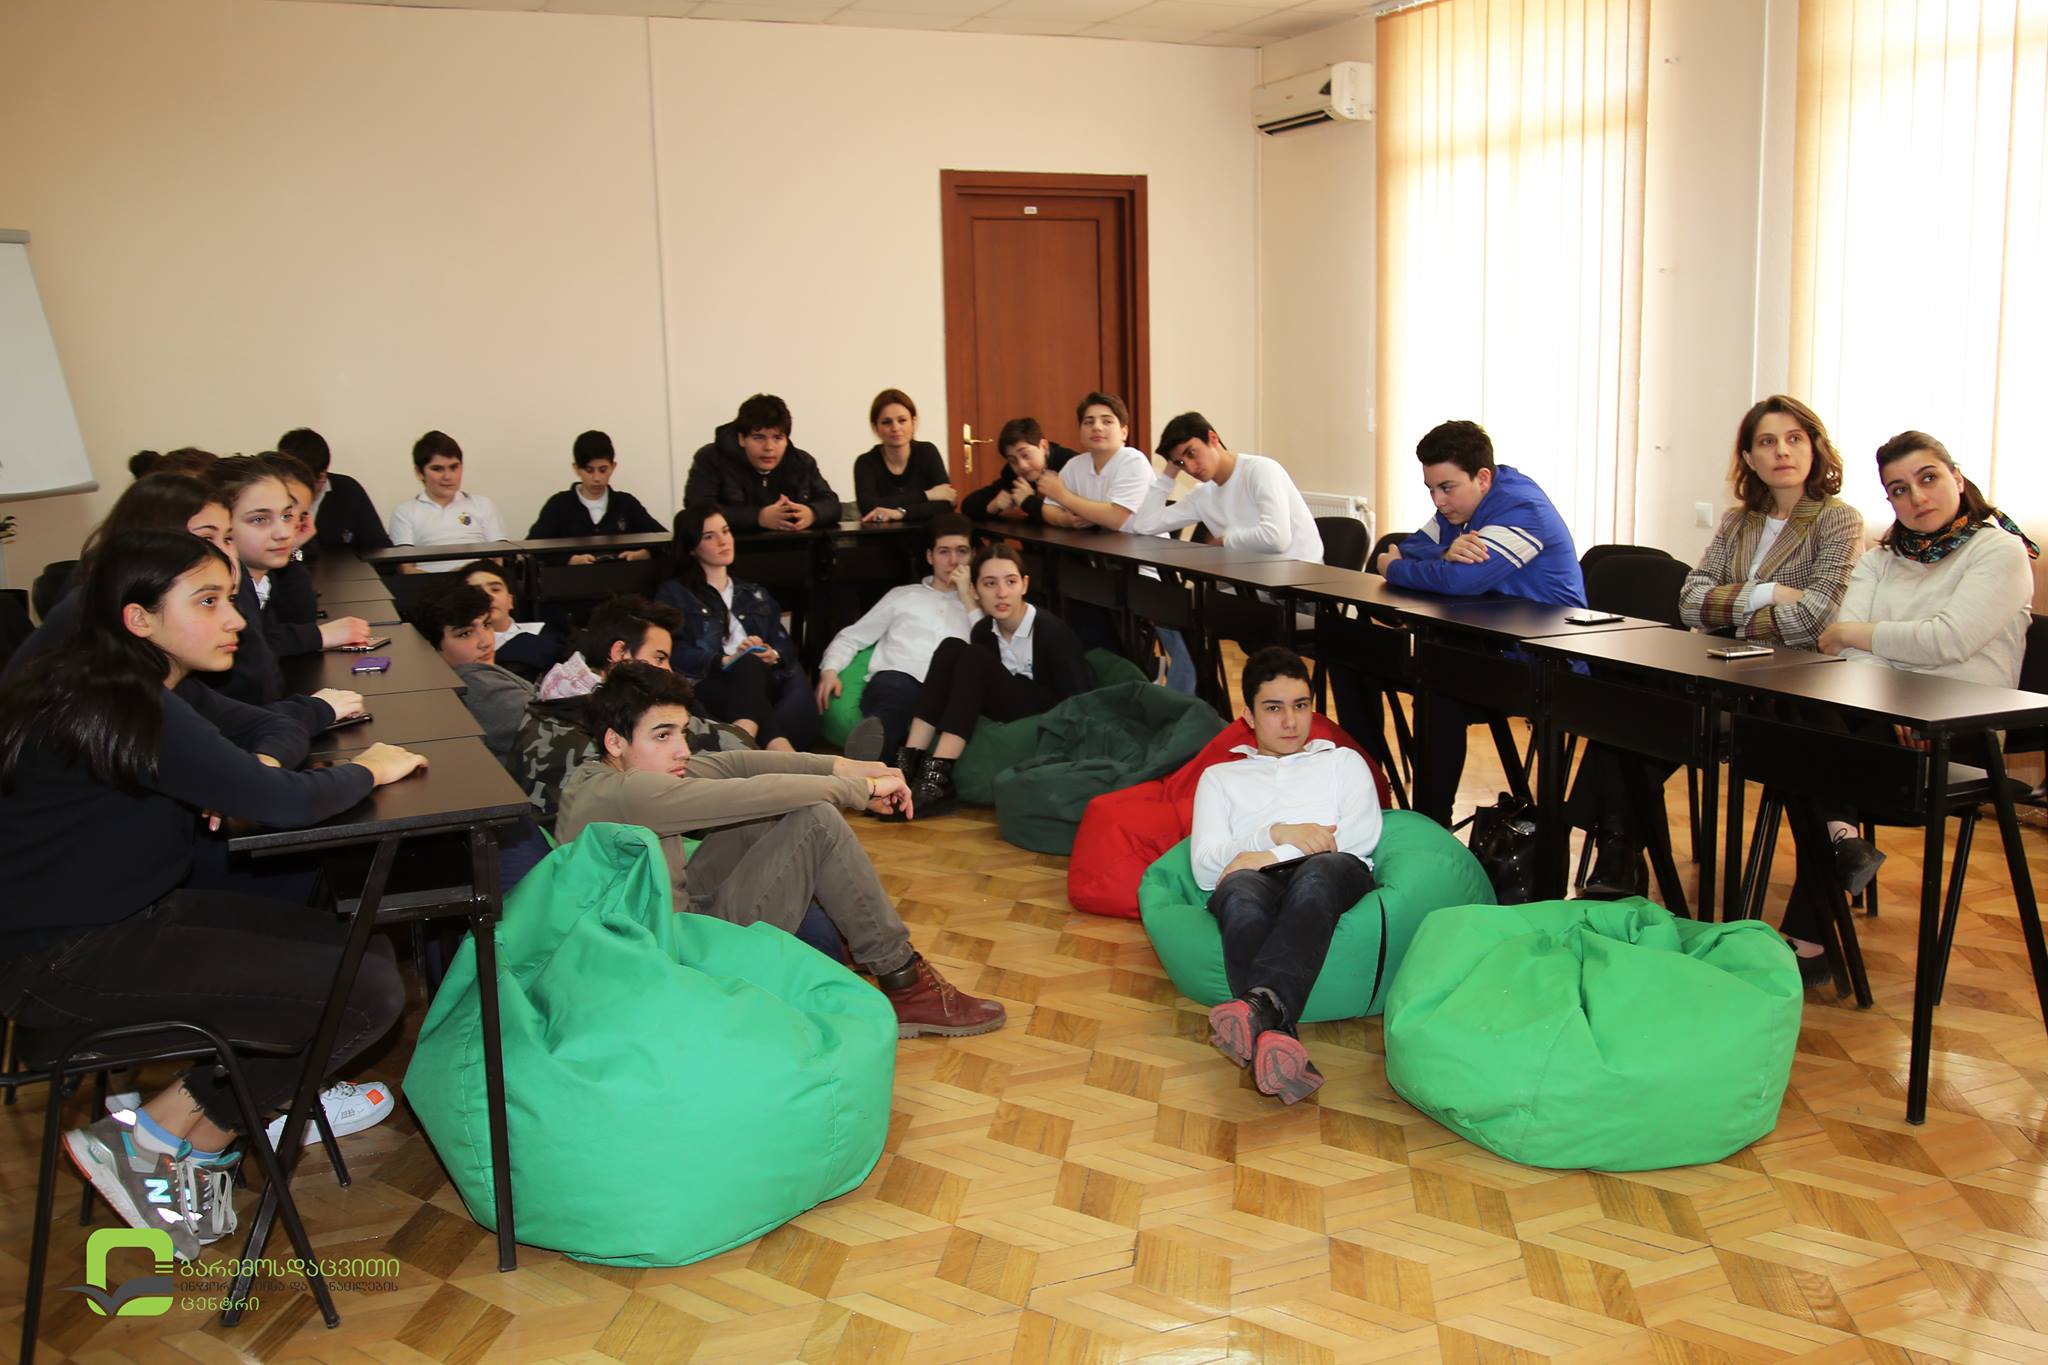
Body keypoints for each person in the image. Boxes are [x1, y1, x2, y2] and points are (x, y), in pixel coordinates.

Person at [0, 529, 424, 1259]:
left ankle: (171, 1141)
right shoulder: (126, 699)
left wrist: (249, 774)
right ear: (139, 618)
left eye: (229, 598)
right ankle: (164, 1133)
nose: (234, 619)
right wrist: (370, 769)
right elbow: (281, 801)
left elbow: (260, 749)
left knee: (362, 954)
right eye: (207, 602)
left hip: (119, 922)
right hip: (65, 960)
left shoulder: (132, 678)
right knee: (366, 993)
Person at [556, 662, 1006, 1036]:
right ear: (615, 741)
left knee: (785, 810)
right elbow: (745, 793)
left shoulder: (611, 773)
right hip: (665, 958)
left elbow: (739, 764)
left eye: (682, 733)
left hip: (669, 917)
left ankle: (864, 942)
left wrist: (843, 765)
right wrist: (859, 789)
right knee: (814, 819)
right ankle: (903, 981)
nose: (682, 750)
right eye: (662, 735)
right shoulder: (624, 793)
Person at [1575, 396, 1864, 898]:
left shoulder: (1837, 520)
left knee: (1639, 725)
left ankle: (1618, 851)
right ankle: (1619, 849)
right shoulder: (1738, 521)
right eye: (1767, 442)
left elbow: (1813, 618)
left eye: (1794, 439)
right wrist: (1767, 594)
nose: (1782, 451)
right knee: (1624, 709)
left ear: (1815, 447)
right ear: (1750, 457)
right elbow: (1689, 603)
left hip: (1787, 682)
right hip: (1718, 669)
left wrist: (1730, 610)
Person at [1783, 430, 2040, 979]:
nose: (1917, 497)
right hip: (1882, 718)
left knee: (1810, 757)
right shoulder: (1882, 558)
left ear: (1957, 478)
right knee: (1789, 709)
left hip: (1961, 728)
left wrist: (1863, 639)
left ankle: (1815, 920)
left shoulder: (1998, 550)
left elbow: (1948, 640)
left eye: (1928, 479)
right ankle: (1841, 844)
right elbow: (1839, 645)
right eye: (1899, 489)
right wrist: (1890, 694)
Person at [1351, 420, 1585, 828]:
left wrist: (1395, 568)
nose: (1438, 501)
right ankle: (1366, 796)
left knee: (1439, 681)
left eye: (1446, 488)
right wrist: (1443, 552)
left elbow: (1460, 580)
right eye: (1430, 489)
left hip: (1542, 660)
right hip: (1483, 641)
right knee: (1355, 654)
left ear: (1483, 478)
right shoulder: (1461, 505)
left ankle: (1431, 825)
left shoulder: (1522, 510)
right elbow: (1411, 547)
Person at [1193, 647, 1383, 1104]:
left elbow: (1360, 835)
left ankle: (1257, 1006)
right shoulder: (1220, 778)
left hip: (1333, 870)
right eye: (1274, 708)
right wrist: (1276, 831)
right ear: (1248, 716)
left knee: (1316, 874)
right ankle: (1277, 1038)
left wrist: (1269, 852)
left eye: (1300, 705)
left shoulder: (1342, 762)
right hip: (1256, 878)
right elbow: (1204, 867)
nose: (1291, 721)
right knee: (1239, 896)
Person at [887, 542, 1092, 819]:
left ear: (1024, 585)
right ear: (974, 590)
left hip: (1044, 708)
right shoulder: (984, 630)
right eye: (990, 583)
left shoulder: (1053, 632)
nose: (1001, 593)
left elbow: (1079, 699)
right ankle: (906, 766)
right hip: (1007, 702)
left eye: (1011, 582)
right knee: (950, 647)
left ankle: (938, 777)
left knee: (973, 657)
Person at [517, 595, 754, 824]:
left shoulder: (553, 700)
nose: (668, 670)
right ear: (620, 653)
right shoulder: (597, 727)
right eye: (659, 658)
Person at [1028, 392, 1197, 692]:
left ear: (1124, 431)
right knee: (1067, 597)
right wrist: (1068, 519)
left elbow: (1117, 517)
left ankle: (1176, 687)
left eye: (1107, 421)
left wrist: (1066, 497)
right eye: (1088, 421)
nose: (1097, 427)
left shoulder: (1132, 460)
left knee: (1165, 626)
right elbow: (1049, 510)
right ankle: (1121, 677)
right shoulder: (1076, 465)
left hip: (1146, 566)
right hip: (1103, 569)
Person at [816, 514, 980, 763]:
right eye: (944, 552)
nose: (953, 561)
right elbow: (852, 637)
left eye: (962, 551)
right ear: (930, 557)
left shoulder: (980, 606)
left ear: (973, 556)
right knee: (894, 697)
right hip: (896, 681)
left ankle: (877, 763)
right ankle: (877, 753)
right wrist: (830, 670)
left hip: (947, 691)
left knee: (934, 705)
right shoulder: (902, 596)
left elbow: (990, 648)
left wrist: (968, 598)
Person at [658, 503, 817, 752]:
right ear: (691, 547)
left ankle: (739, 745)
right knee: (747, 671)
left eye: (725, 531)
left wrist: (771, 653)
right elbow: (673, 650)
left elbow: (783, 643)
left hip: (762, 677)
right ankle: (782, 752)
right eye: (709, 536)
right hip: (709, 681)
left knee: (750, 664)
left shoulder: (754, 593)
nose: (723, 541)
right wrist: (724, 660)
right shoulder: (675, 593)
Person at [211, 455, 372, 659]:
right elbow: (252, 652)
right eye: (260, 519)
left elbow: (301, 618)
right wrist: (318, 636)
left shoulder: (260, 577)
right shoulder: (225, 585)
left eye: (287, 516)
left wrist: (292, 551)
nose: (284, 533)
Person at [1133, 413, 1325, 562]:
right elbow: (1143, 525)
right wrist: (1169, 474)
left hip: (1300, 587)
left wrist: (1224, 542)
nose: (1190, 468)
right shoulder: (1202, 495)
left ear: (1213, 438)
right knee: (1184, 598)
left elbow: (1277, 539)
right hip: (1251, 584)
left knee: (1200, 599)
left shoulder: (1260, 470)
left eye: (1191, 453)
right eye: (1181, 463)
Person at [409, 580, 535, 773]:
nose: (485, 642)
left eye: (486, 624)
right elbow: (560, 729)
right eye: (465, 634)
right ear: (432, 647)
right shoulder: (474, 682)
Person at [682, 394, 841, 532]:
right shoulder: (711, 459)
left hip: (795, 550)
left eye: (778, 438)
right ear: (741, 438)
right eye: (758, 438)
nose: (769, 447)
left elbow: (833, 505)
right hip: (734, 551)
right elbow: (697, 511)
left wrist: (812, 514)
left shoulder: (801, 462)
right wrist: (758, 517)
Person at [526, 429, 665, 557]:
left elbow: (665, 541)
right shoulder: (559, 505)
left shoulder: (626, 504)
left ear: (613, 466)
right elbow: (531, 549)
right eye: (589, 470)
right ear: (576, 468)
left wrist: (645, 553)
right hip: (572, 576)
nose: (597, 478)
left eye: (603, 470)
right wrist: (568, 560)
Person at [388, 430, 507, 570]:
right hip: (429, 582)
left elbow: (499, 560)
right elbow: (405, 568)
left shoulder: (482, 504)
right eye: (437, 469)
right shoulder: (404, 511)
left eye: (453, 467)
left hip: (478, 579)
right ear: (419, 472)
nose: (447, 477)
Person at [277, 427, 391, 553]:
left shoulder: (348, 490)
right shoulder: (273, 496)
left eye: (304, 483)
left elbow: (379, 546)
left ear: (322, 476)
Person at [853, 389, 955, 524]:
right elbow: (868, 507)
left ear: (913, 422)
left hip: (926, 533)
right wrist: (927, 495)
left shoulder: (927, 452)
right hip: (882, 534)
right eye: (886, 422)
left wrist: (900, 513)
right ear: (875, 427)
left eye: (902, 420)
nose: (895, 428)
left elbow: (946, 503)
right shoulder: (865, 462)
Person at [457, 559, 568, 681]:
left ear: (510, 600)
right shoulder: (459, 647)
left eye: (495, 589)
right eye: (476, 592)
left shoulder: (548, 634)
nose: (488, 597)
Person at [960, 417, 1081, 522]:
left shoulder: (1072, 464)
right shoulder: (1014, 474)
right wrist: (993, 505)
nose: (1022, 465)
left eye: (1025, 455)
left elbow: (1078, 516)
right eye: (1012, 460)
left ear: (1043, 446)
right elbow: (968, 505)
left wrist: (1029, 501)